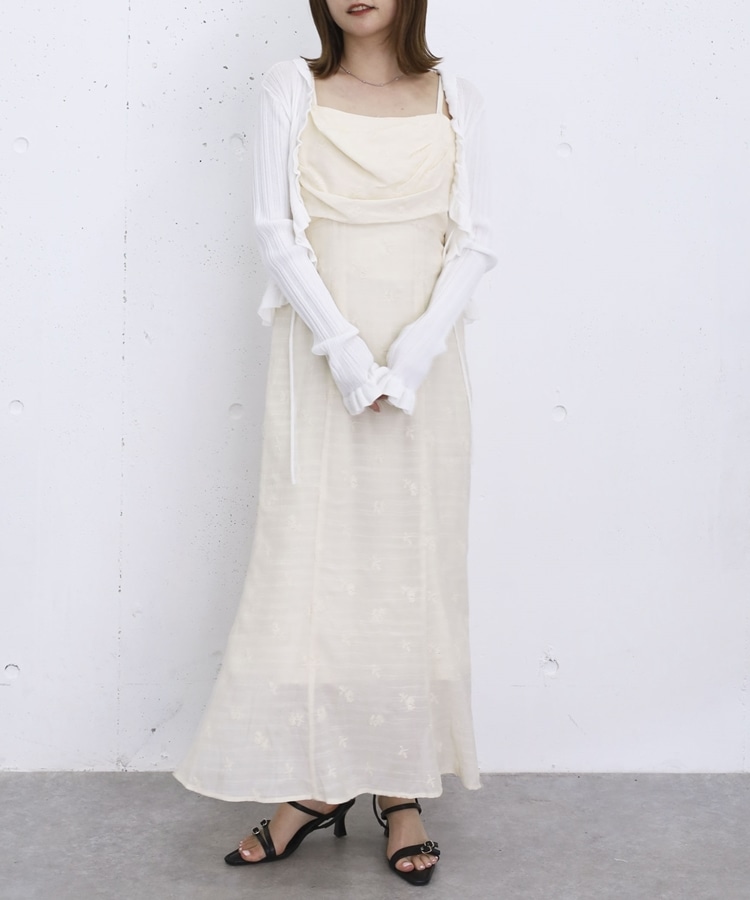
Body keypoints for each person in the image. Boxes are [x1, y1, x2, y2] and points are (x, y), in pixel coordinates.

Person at [174, 0, 495, 886]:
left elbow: (474, 241)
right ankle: (316, 783)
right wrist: (349, 355)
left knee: (411, 570)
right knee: (310, 566)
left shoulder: (456, 96)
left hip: (427, 363)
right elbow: (276, 232)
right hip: (318, 359)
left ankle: (400, 786)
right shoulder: (291, 87)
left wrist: (413, 357)